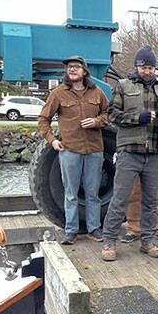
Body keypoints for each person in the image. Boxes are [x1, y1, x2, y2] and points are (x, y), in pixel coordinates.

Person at [101, 45, 158, 261]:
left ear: (155, 68)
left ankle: (148, 241)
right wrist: (138, 118)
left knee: (151, 201)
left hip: (156, 154)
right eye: (143, 67)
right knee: (120, 199)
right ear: (136, 66)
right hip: (130, 152)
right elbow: (112, 115)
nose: (147, 71)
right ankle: (109, 241)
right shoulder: (123, 86)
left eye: (151, 67)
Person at [38, 55, 109, 244]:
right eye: (69, 67)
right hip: (70, 150)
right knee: (70, 194)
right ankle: (71, 231)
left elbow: (107, 114)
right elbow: (43, 119)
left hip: (94, 150)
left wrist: (96, 121)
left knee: (92, 193)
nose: (72, 70)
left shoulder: (97, 92)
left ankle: (94, 229)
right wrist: (52, 140)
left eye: (76, 67)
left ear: (85, 71)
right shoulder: (58, 93)